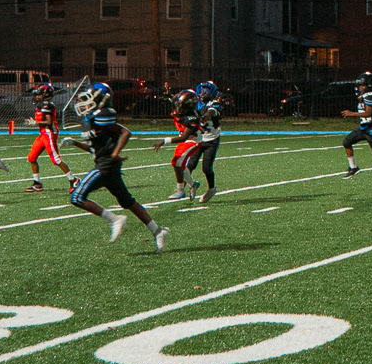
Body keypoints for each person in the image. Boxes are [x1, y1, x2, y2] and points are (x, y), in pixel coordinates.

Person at [66, 83, 168, 248]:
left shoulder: (103, 115)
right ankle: (158, 231)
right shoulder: (92, 119)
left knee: (77, 197)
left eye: (88, 99)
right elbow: (95, 149)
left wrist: (115, 153)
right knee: (127, 202)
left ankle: (115, 219)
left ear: (101, 100)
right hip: (108, 165)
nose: (84, 103)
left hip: (106, 166)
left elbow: (126, 132)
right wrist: (75, 143)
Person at [25, 81, 69, 192]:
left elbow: (48, 122)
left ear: (45, 94)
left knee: (56, 160)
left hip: (49, 133)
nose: (36, 96)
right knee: (32, 157)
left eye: (38, 94)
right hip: (43, 134)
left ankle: (73, 180)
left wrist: (35, 123)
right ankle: (37, 183)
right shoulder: (41, 106)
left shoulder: (47, 105)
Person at [189, 81, 223, 205]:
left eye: (206, 90)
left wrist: (204, 117)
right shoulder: (194, 103)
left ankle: (211, 189)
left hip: (211, 138)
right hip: (198, 139)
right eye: (201, 89)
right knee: (190, 165)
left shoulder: (214, 103)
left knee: (206, 168)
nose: (203, 92)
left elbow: (211, 112)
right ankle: (191, 185)